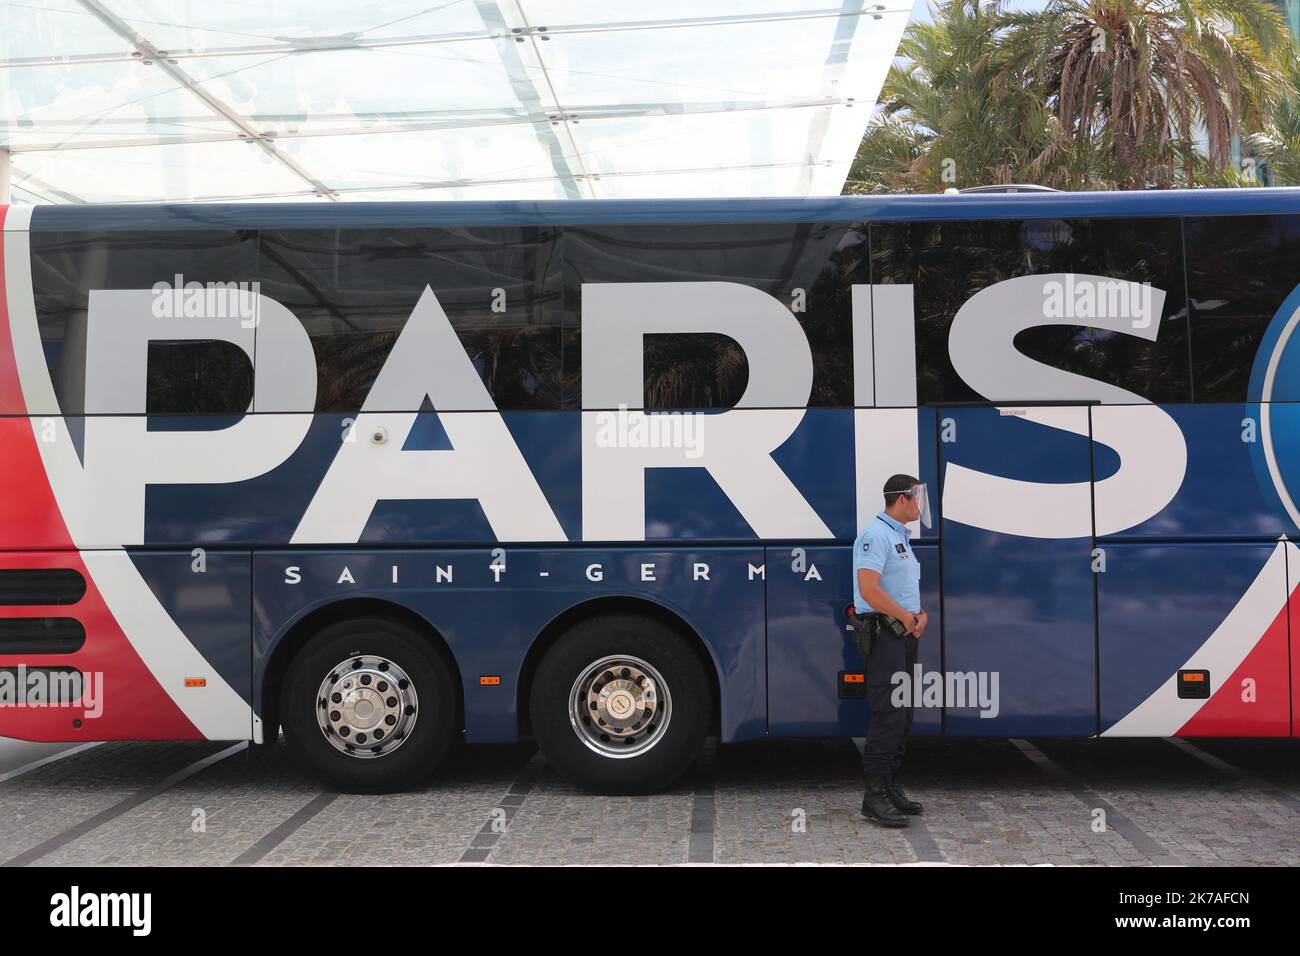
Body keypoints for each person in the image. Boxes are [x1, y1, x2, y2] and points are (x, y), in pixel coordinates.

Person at [850, 473, 930, 828]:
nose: (920, 505)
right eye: (917, 498)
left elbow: (902, 587)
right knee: (889, 715)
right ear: (902, 499)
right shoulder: (875, 536)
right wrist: (904, 616)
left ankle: (891, 787)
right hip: (885, 637)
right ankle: (874, 798)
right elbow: (869, 590)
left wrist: (920, 615)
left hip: (904, 635)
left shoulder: (899, 537)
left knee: (904, 714)